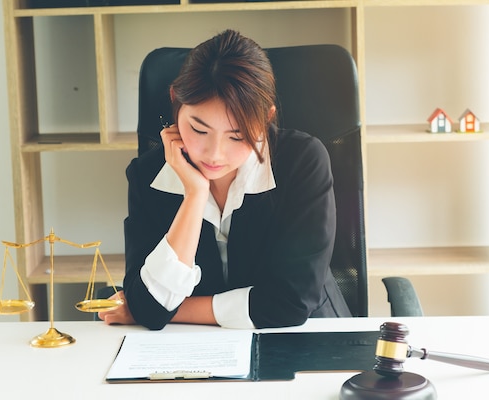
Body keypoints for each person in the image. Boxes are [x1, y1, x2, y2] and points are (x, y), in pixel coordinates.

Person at [99, 29, 351, 330]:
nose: (215, 154)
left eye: (238, 135)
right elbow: (149, 307)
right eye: (199, 130)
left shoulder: (303, 161)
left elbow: (289, 304)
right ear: (174, 101)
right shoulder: (147, 176)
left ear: (267, 118)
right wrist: (194, 194)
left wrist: (169, 311)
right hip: (193, 348)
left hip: (303, 336)